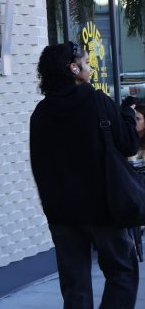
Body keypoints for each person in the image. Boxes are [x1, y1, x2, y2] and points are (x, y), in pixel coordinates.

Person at [31, 41, 140, 308]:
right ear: (73, 67)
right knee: (122, 271)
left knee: (75, 284)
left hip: (62, 214)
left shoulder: (41, 113)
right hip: (103, 208)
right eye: (86, 62)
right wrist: (128, 113)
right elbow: (127, 144)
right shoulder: (96, 101)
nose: (89, 67)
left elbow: (39, 166)